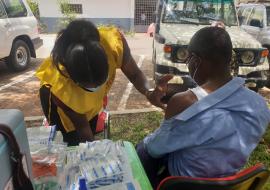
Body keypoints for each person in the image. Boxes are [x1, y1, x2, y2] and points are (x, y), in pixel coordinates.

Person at [136, 27, 270, 188]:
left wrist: (170, 106)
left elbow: (155, 148)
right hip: (226, 181)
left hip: (181, 184)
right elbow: (217, 100)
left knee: (143, 149)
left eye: (188, 60)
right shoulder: (260, 105)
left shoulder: (183, 102)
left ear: (196, 61)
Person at [36, 20, 172, 146]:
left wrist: (149, 93)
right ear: (73, 79)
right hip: (61, 109)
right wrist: (96, 151)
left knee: (92, 125)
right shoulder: (60, 87)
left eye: (100, 82)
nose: (97, 89)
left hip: (80, 100)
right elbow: (82, 128)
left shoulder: (112, 43)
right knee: (71, 143)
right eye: (88, 88)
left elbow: (135, 74)